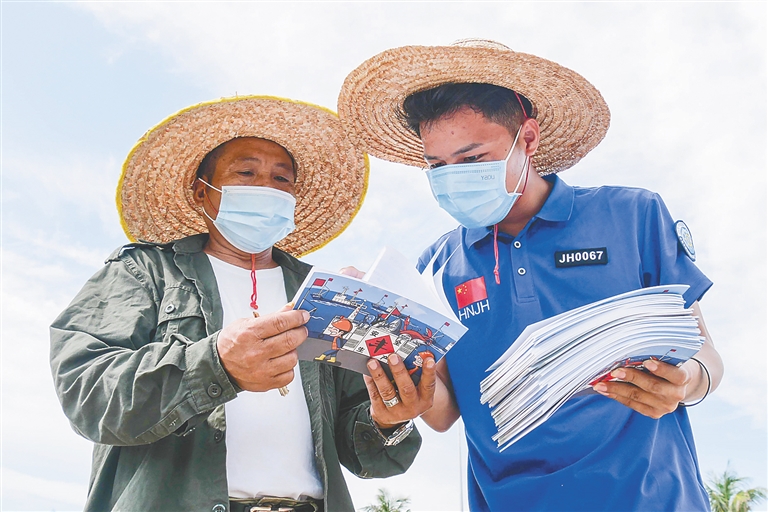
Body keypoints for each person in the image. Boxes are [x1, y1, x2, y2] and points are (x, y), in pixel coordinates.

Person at [337, 40, 724, 511]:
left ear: (529, 138)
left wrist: (686, 382)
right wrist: (396, 383)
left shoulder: (632, 215)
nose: (453, 177)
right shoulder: (436, 265)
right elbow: (443, 412)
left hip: (653, 500)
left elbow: (705, 354)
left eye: (472, 159)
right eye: (437, 166)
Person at [49, 96, 436, 512]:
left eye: (281, 178)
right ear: (203, 192)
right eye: (246, 173)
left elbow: (368, 452)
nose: (266, 187)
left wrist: (388, 420)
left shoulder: (324, 294)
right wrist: (216, 364)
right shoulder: (144, 271)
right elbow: (86, 393)